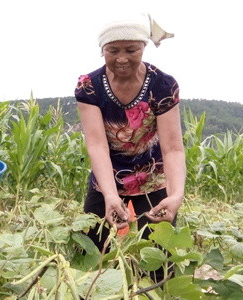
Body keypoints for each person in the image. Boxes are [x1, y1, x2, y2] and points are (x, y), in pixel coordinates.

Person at [74, 12, 186, 254]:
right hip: (107, 177)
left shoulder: (163, 86)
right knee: (91, 251)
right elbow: (97, 145)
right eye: (113, 51)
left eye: (131, 50)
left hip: (153, 177)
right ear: (102, 49)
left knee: (157, 254)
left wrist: (176, 194)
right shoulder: (89, 85)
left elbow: (173, 148)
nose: (121, 59)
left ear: (143, 48)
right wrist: (110, 195)